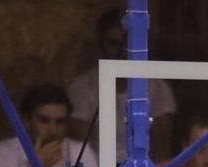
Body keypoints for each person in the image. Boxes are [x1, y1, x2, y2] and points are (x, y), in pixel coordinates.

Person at [66, 8, 176, 159]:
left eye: (128, 44)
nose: (122, 52)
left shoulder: (157, 88)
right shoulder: (81, 88)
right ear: (100, 45)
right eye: (114, 43)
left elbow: (163, 151)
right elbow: (81, 152)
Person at [0, 84, 99, 167]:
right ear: (27, 121)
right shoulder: (0, 153)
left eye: (60, 122)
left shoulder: (81, 151)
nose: (53, 131)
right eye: (44, 121)